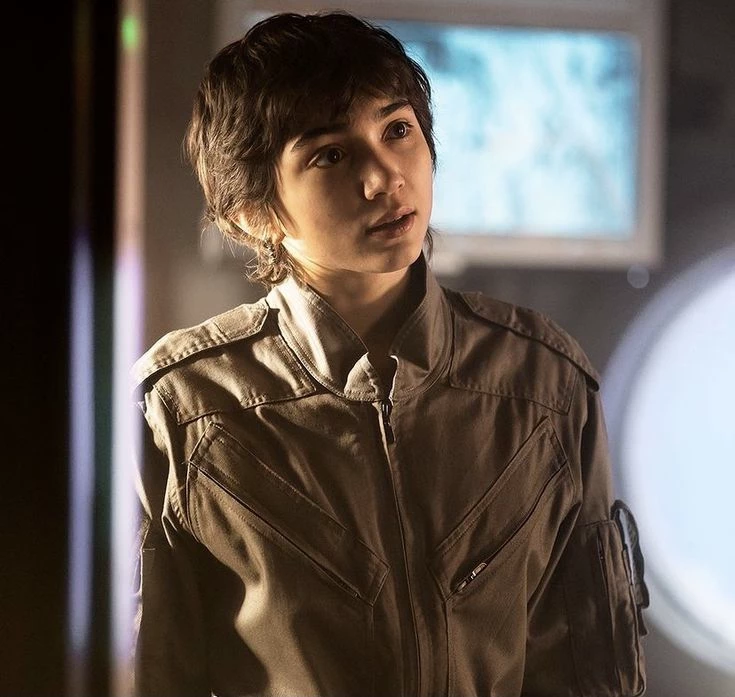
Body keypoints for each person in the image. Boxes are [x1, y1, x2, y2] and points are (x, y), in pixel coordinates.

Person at [131, 11, 649, 697]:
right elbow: (149, 671)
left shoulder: (543, 382)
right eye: (330, 155)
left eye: (397, 130)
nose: (384, 177)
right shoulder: (185, 406)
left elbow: (591, 671)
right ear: (252, 213)